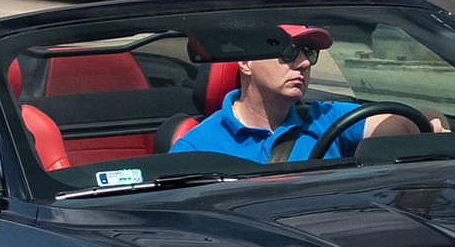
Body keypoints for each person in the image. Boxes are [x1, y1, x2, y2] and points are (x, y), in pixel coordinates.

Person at [170, 25, 439, 163]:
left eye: (309, 52)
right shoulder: (195, 147)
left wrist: (424, 127)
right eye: (288, 51)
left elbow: (411, 121)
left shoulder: (327, 119)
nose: (304, 63)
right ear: (245, 61)